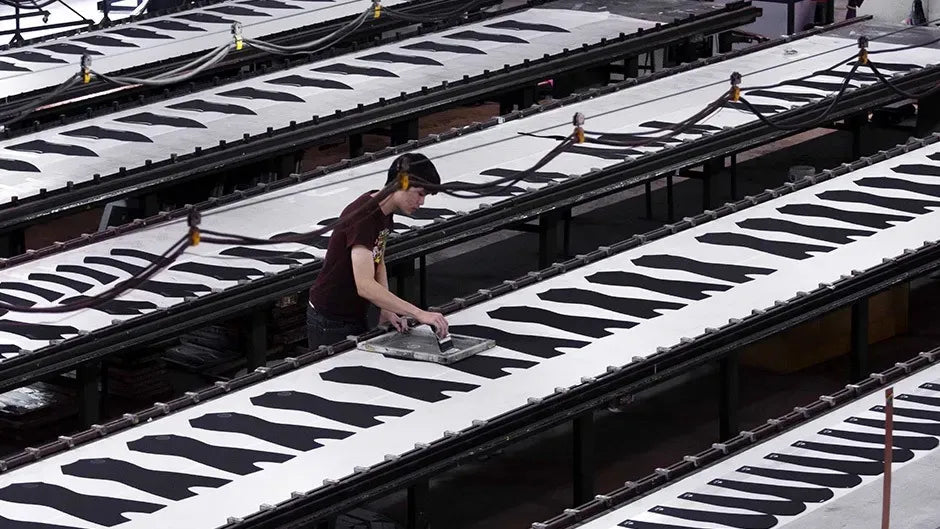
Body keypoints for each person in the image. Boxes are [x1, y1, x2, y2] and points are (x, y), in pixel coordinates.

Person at [307, 153, 449, 348]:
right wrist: (419, 313)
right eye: (420, 193)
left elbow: (377, 258)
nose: (421, 202)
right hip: (330, 321)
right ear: (402, 183)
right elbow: (364, 285)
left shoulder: (384, 212)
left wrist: (386, 308)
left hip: (352, 314)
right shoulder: (364, 216)